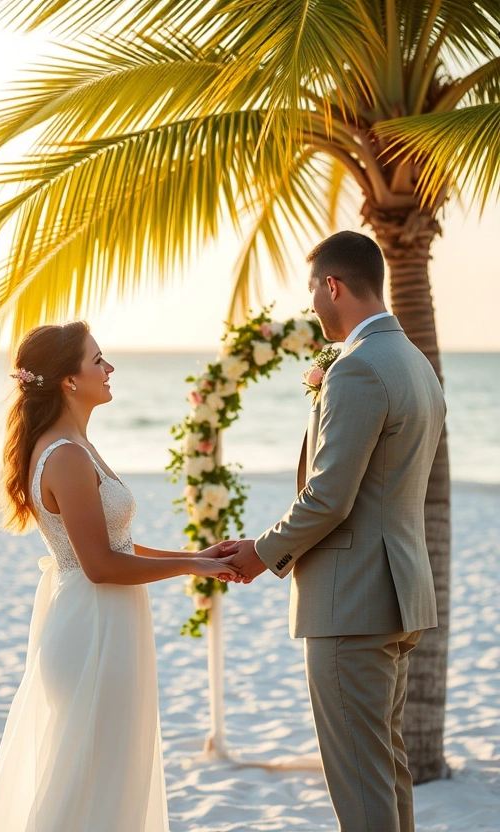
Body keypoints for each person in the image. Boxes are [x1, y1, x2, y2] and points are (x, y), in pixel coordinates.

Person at [217, 231, 446, 831]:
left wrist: (262, 551)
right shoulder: (416, 363)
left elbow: (328, 497)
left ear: (333, 285)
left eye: (313, 289)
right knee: (386, 770)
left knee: (362, 785)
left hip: (353, 600)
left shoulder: (357, 367)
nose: (312, 303)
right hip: (398, 595)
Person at [0, 320, 239, 832]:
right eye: (98, 360)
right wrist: (192, 566)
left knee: (108, 778)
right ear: (69, 380)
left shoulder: (75, 445)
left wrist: (195, 554)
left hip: (105, 621)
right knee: (90, 784)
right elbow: (99, 565)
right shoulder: (66, 455)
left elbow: (113, 544)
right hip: (93, 627)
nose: (109, 367)